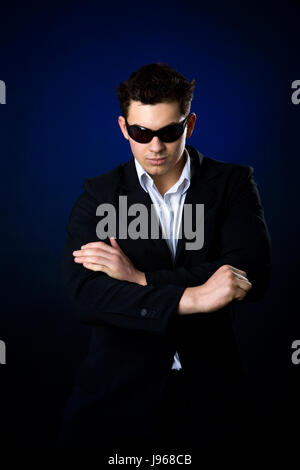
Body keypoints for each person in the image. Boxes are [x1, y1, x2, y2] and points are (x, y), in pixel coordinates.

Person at [56, 63, 271, 454]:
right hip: (114, 402)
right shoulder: (100, 195)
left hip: (212, 400)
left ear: (189, 125)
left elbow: (250, 271)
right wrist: (194, 297)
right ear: (124, 127)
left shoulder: (233, 184)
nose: (155, 147)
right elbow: (85, 294)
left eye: (169, 132)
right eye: (141, 132)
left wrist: (140, 280)